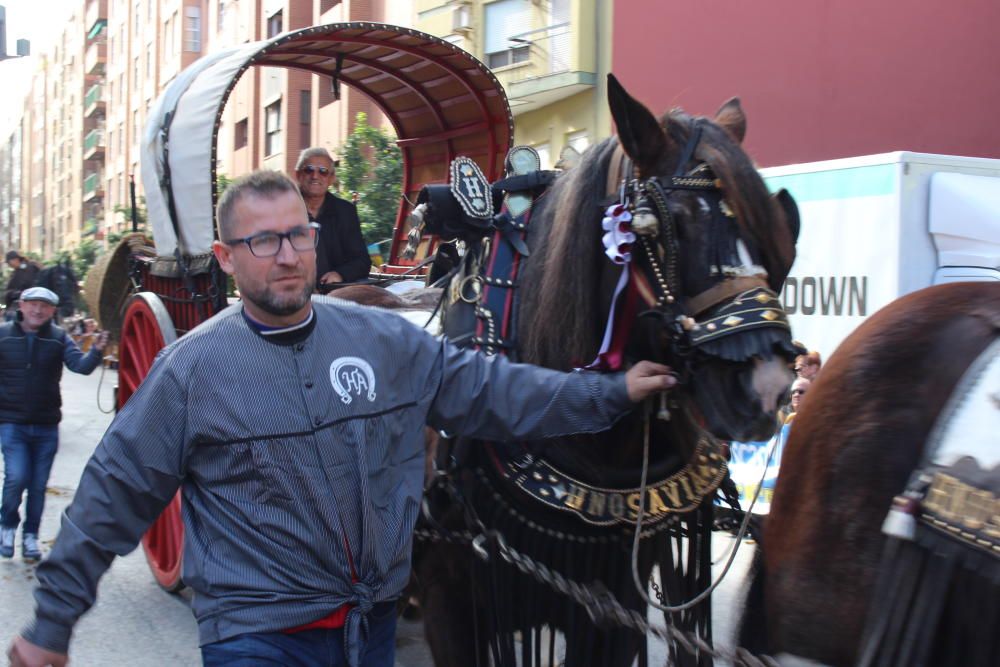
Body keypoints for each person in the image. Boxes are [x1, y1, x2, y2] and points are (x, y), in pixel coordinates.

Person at [7, 170, 675, 667]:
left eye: (299, 233)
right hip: (257, 637)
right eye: (263, 240)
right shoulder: (190, 372)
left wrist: (611, 395)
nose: (289, 254)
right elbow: (110, 496)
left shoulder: (386, 343)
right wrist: (52, 624)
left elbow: (498, 390)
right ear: (226, 256)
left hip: (368, 628)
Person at [0, 287, 108, 563]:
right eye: (33, 304)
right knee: (16, 477)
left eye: (44, 306)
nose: (38, 310)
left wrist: (96, 351)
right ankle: (8, 525)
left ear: (52, 311)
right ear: (21, 306)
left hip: (46, 425)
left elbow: (80, 367)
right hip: (12, 423)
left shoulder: (58, 338)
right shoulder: (3, 335)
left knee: (38, 486)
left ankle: (31, 536)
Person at [294, 147, 372, 290]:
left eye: (323, 171)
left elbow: (362, 261)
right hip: (290, 294)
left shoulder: (345, 212)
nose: (315, 176)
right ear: (298, 174)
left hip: (334, 296)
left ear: (331, 179)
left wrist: (340, 274)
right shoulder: (282, 209)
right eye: (309, 170)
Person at [3, 251, 41, 321]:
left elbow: (30, 284)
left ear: (15, 259)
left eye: (9, 262)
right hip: (18, 303)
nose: (9, 265)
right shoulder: (17, 271)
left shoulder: (30, 268)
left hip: (27, 303)